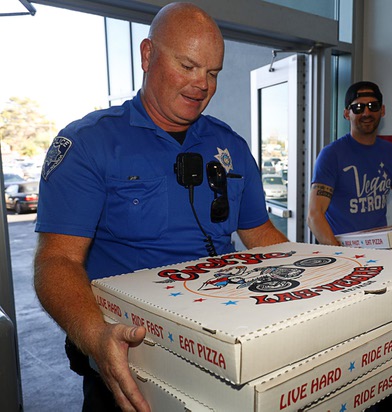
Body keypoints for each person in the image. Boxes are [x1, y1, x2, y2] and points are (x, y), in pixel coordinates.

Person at [33, 3, 287, 411]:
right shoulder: (88, 144)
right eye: (188, 66)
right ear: (147, 56)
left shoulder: (232, 147)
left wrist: (314, 278)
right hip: (131, 356)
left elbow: (262, 237)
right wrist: (97, 337)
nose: (201, 84)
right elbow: (56, 261)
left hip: (218, 348)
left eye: (213, 73)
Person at [307, 81, 392, 245]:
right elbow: (314, 216)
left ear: (382, 110)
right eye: (358, 108)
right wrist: (341, 253)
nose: (366, 113)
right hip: (341, 250)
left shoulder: (391, 154)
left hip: (380, 250)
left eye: (372, 106)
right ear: (347, 113)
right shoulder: (332, 155)